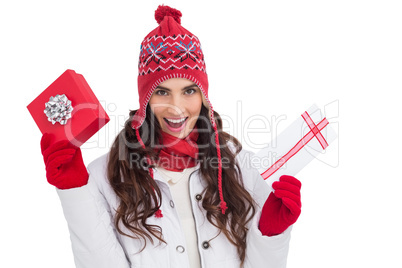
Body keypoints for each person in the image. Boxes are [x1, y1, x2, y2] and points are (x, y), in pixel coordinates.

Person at [40, 5, 302, 268]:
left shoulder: (239, 167)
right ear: (145, 98)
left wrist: (271, 234)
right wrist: (74, 192)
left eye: (189, 91)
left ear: (204, 96)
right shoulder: (106, 176)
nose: (176, 107)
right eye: (162, 92)